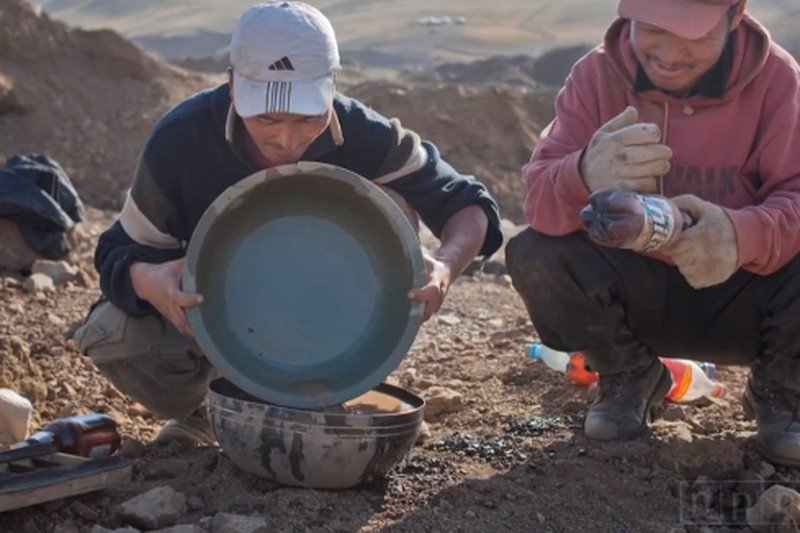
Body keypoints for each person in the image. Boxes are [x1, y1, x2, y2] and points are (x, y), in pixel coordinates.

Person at [74, 2, 502, 446]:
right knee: (116, 333)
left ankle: (336, 383)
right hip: (220, 323)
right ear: (234, 84)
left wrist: (445, 266)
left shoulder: (366, 135)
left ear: (332, 88)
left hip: (336, 328)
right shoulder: (181, 140)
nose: (286, 139)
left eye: (307, 118)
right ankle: (209, 409)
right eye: (267, 118)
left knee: (389, 200)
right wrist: (150, 281)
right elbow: (117, 251)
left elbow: (469, 204)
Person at [506, 0, 800, 466]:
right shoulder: (596, 76)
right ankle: (629, 375)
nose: (669, 53)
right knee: (535, 253)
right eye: (652, 28)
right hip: (636, 295)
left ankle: (781, 391)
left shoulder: (779, 81)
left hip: (745, 294)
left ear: (735, 16)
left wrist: (739, 234)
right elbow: (539, 202)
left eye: (695, 34)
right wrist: (582, 173)